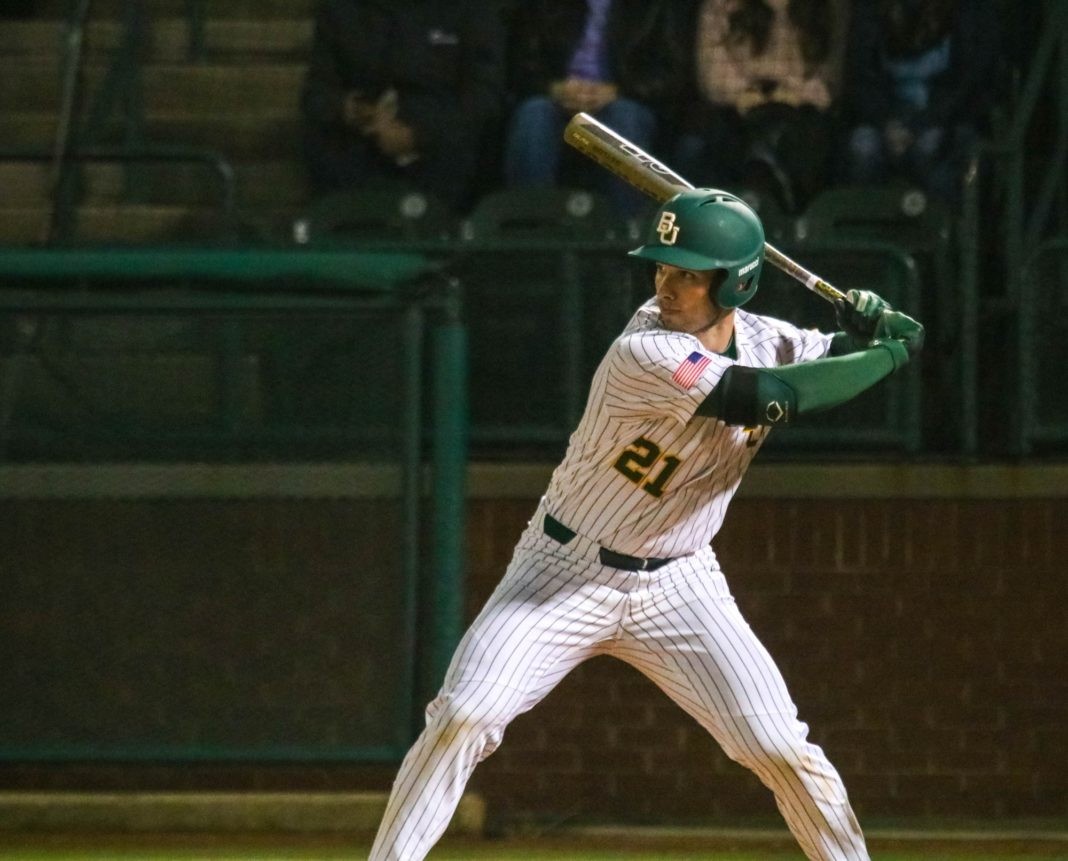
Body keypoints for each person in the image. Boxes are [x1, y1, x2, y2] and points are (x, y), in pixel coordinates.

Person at [369, 189, 924, 861]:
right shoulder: (646, 349)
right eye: (662, 267)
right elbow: (774, 396)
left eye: (689, 272)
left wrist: (875, 329)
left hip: (682, 583)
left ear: (737, 282)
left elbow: (828, 357)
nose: (668, 284)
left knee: (780, 746)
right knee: (462, 716)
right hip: (562, 571)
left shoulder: (766, 338)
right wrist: (889, 354)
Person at [299, 0, 507, 212]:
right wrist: (352, 110)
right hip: (361, 139)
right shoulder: (340, 10)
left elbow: (485, 96)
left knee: (470, 143)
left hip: (440, 141)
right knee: (323, 138)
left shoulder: (470, 9)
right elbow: (316, 92)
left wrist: (419, 135)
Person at [502, 0, 689, 220]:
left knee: (624, 117)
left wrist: (618, 91)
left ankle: (628, 232)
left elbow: (668, 73)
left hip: (624, 98)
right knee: (533, 115)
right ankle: (529, 232)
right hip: (557, 99)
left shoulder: (652, 7)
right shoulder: (544, 6)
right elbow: (520, 65)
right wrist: (553, 88)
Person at [674, 0, 851, 214]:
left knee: (811, 139)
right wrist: (752, 93)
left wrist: (788, 91)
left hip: (804, 112)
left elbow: (827, 79)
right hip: (737, 111)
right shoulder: (720, 5)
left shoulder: (829, 6)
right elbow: (713, 74)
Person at [839, 0, 1000, 204]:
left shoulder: (970, 9)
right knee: (862, 146)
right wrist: (886, 122)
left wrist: (922, 124)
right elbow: (861, 77)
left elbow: (971, 83)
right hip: (888, 116)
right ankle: (862, 228)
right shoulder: (872, 8)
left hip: (945, 116)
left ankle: (940, 227)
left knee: (930, 147)